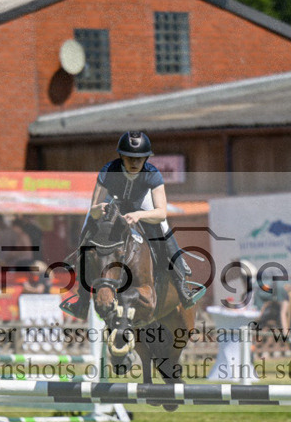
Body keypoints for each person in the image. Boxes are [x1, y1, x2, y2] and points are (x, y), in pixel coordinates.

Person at [61, 131, 199, 319]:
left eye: (139, 159)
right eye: (130, 158)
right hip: (112, 203)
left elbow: (161, 212)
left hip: (141, 204)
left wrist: (140, 215)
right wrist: (97, 210)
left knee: (164, 228)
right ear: (121, 157)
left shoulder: (152, 174)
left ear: (146, 158)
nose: (134, 163)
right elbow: (94, 207)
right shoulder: (108, 171)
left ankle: (182, 285)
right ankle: (82, 300)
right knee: (89, 230)